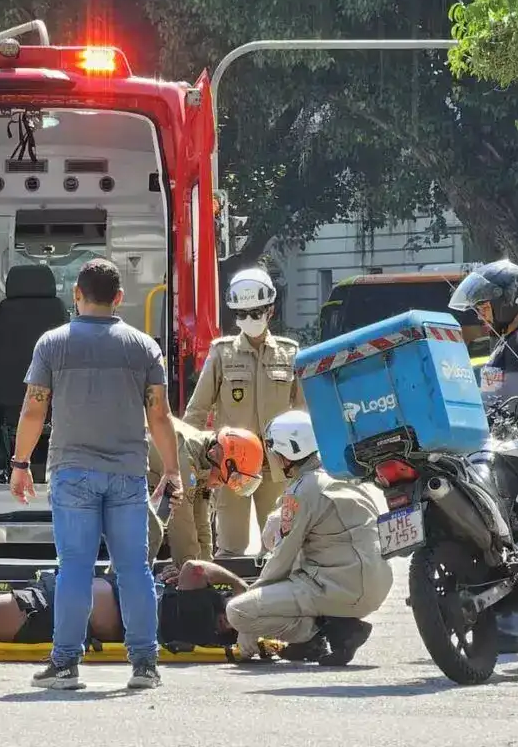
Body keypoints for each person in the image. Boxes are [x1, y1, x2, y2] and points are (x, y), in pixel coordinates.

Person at [9, 257, 182, 691]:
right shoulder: (143, 347)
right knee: (135, 570)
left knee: (74, 569)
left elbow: (35, 408)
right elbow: (159, 416)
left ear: (76, 296)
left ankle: (65, 664)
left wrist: (20, 463)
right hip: (127, 474)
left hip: (72, 472)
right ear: (120, 298)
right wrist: (173, 469)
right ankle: (144, 665)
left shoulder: (52, 343)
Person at [448, 258, 518, 654]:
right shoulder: (502, 343)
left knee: (509, 539)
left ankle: (516, 631)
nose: (480, 312)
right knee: (498, 535)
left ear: (509, 300)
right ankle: (513, 629)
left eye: (486, 304)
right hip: (501, 452)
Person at [226, 410, 394, 666]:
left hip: (339, 588)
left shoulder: (303, 490)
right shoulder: (341, 474)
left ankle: (322, 633)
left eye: (275, 450)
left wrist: (249, 616)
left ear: (288, 451)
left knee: (237, 611)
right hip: (375, 583)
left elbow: (282, 557)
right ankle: (328, 630)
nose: (273, 456)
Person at [0, 559, 247, 653]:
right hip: (60, 602)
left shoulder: (202, 611)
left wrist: (237, 584)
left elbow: (197, 566)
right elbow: (195, 569)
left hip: (54, 611)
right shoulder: (210, 625)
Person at [184, 267, 306, 557]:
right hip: (231, 467)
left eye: (256, 312)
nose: (249, 320)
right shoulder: (221, 354)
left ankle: (278, 601)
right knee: (231, 547)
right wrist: (188, 460)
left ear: (270, 311)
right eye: (242, 314)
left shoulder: (290, 354)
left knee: (282, 547)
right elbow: (197, 411)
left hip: (278, 466)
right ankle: (229, 600)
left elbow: (303, 415)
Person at [145, 420, 266, 565]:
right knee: (151, 533)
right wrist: (188, 568)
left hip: (142, 483)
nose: (221, 484)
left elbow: (201, 520)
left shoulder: (205, 463)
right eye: (225, 478)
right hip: (123, 477)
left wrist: (207, 566)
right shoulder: (185, 458)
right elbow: (182, 524)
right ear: (225, 460)